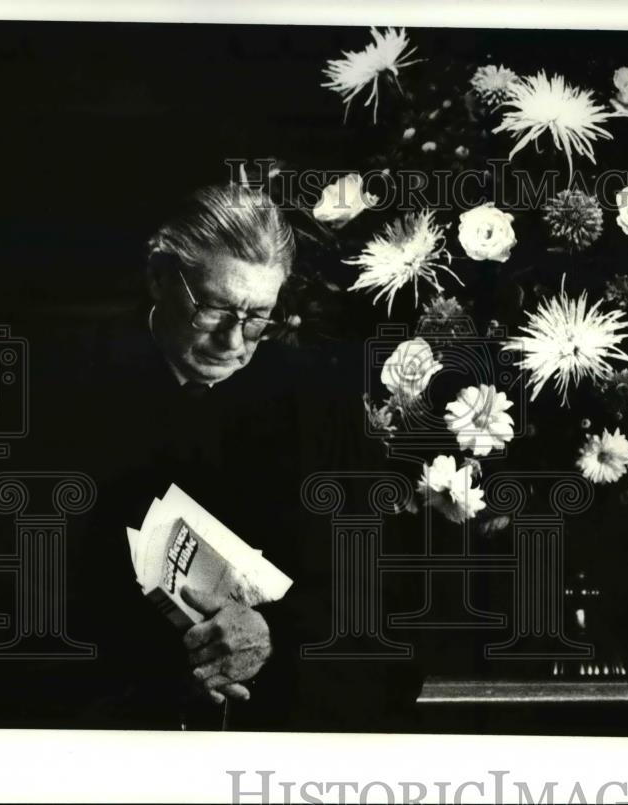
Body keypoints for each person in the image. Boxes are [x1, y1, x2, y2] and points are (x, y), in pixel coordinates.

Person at [44, 182, 422, 730]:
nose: (234, 340)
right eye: (215, 308)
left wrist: (276, 634)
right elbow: (30, 591)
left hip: (281, 716)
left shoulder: (317, 402)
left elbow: (373, 586)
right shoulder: (68, 390)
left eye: (258, 315)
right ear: (159, 278)